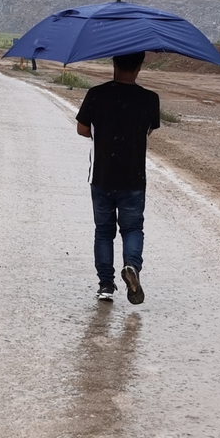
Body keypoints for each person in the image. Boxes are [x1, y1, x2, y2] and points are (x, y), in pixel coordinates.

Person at [75, 51, 160, 304]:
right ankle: (131, 266)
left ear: (114, 62)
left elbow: (81, 129)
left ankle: (105, 285)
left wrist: (103, 132)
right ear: (140, 65)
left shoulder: (96, 94)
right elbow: (148, 131)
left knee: (103, 231)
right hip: (133, 179)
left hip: (101, 176)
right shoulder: (149, 99)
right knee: (132, 228)